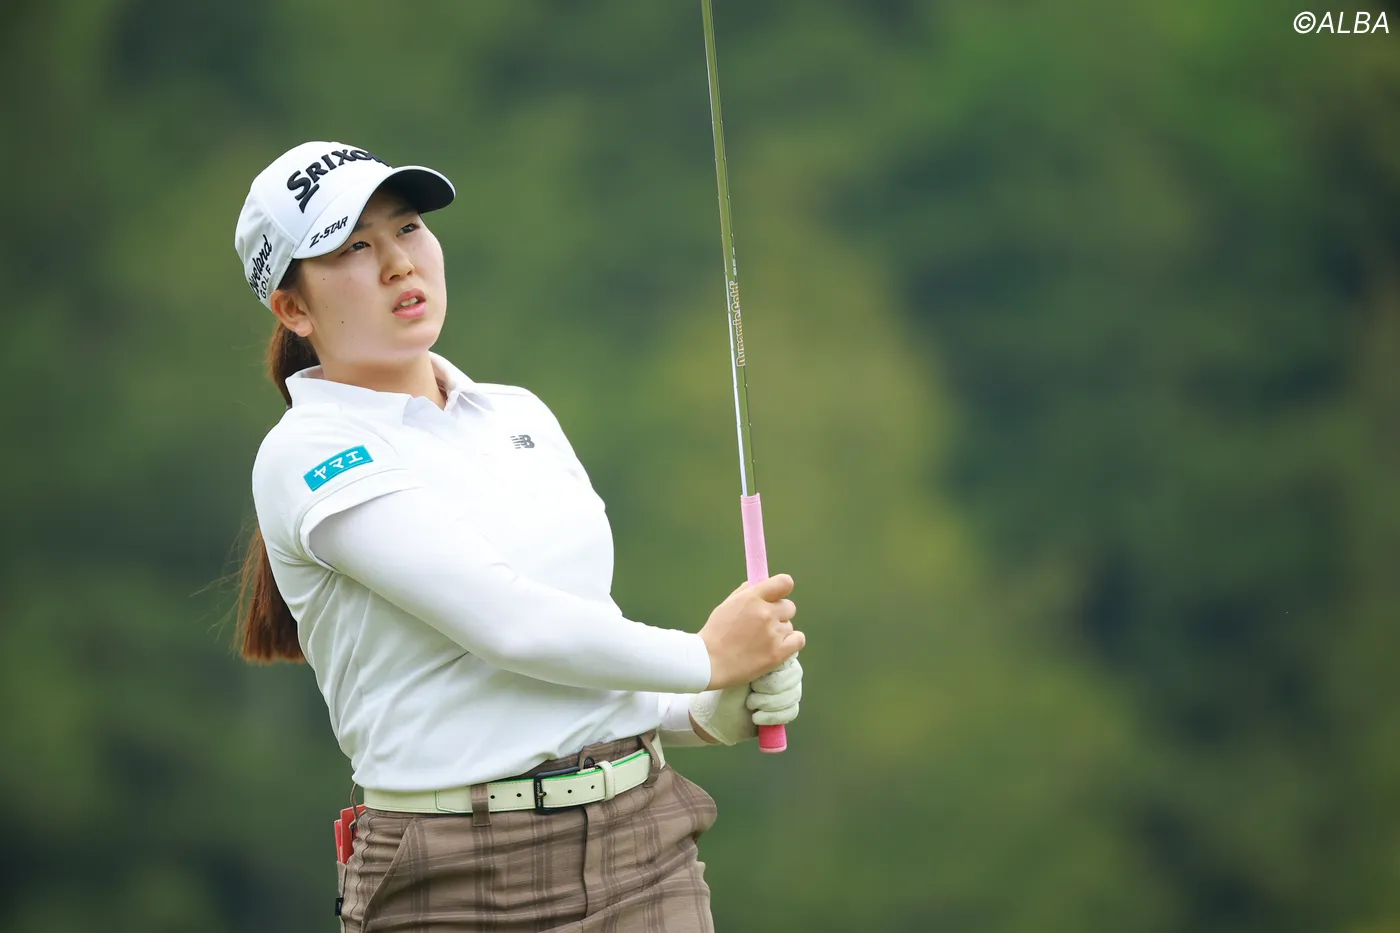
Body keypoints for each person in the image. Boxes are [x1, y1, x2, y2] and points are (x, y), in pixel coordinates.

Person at [232, 140, 806, 933]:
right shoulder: (309, 452)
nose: (398, 263)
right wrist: (706, 656)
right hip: (455, 874)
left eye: (408, 228)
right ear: (292, 309)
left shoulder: (517, 412)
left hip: (643, 844)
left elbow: (578, 632)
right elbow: (510, 625)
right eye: (354, 247)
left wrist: (698, 708)